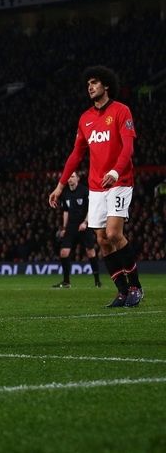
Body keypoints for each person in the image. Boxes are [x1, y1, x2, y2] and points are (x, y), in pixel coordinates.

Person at [48, 66, 141, 307]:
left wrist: (115, 171)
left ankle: (135, 287)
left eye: (94, 82)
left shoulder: (121, 110)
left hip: (120, 181)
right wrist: (60, 186)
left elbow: (128, 147)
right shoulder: (85, 118)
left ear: (106, 85)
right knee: (101, 239)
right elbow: (76, 155)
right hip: (96, 186)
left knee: (114, 234)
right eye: (88, 83)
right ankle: (122, 292)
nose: (90, 87)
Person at [51, 171, 102, 288]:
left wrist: (85, 222)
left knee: (90, 252)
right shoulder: (65, 193)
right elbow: (65, 211)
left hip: (84, 226)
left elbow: (91, 208)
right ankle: (66, 282)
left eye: (72, 176)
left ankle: (97, 281)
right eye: (69, 177)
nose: (70, 179)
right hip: (71, 227)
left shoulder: (84, 191)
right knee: (64, 252)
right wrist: (64, 228)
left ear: (77, 178)